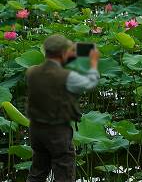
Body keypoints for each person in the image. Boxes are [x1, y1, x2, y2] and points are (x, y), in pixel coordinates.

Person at [25, 34, 100, 182]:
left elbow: (51, 70)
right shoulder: (68, 77)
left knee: (37, 172)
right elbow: (90, 82)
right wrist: (93, 61)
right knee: (64, 173)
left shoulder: (31, 72)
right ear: (63, 53)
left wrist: (64, 57)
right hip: (57, 132)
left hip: (36, 130)